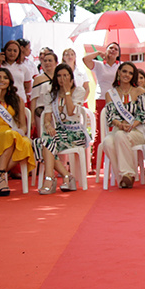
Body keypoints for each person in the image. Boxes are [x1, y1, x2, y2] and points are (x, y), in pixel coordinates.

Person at [0, 68, 35, 196]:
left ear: (9, 81)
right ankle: (1, 177)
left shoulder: (17, 100)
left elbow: (23, 125)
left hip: (13, 133)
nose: (1, 80)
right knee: (10, 136)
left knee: (25, 143)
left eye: (5, 77)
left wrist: (19, 132)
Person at [34, 63, 88, 194]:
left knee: (43, 143)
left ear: (71, 77)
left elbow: (70, 112)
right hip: (58, 133)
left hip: (75, 133)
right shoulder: (51, 94)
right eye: (59, 75)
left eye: (65, 75)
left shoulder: (79, 91)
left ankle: (49, 179)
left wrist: (67, 91)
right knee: (39, 142)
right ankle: (66, 176)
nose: (62, 78)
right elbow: (47, 117)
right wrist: (48, 126)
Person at [101, 61, 145, 188]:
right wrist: (121, 125)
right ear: (119, 72)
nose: (127, 75)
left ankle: (127, 175)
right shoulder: (110, 94)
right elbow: (110, 117)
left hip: (137, 130)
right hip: (118, 129)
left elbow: (143, 115)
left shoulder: (139, 91)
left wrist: (132, 125)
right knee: (107, 142)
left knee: (121, 136)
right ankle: (124, 178)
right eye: (124, 71)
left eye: (131, 73)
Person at [83, 42, 121, 167]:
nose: (113, 50)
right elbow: (85, 59)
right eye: (111, 48)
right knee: (100, 130)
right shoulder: (99, 65)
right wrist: (98, 53)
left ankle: (114, 160)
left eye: (116, 49)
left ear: (119, 53)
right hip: (101, 99)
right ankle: (96, 162)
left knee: (115, 129)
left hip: (117, 100)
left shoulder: (121, 67)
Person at [30, 51, 58, 135]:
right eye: (45, 61)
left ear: (56, 62)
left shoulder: (60, 77)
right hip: (41, 112)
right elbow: (33, 99)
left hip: (57, 112)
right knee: (44, 136)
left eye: (50, 60)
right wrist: (32, 118)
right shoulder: (38, 79)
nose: (47, 63)